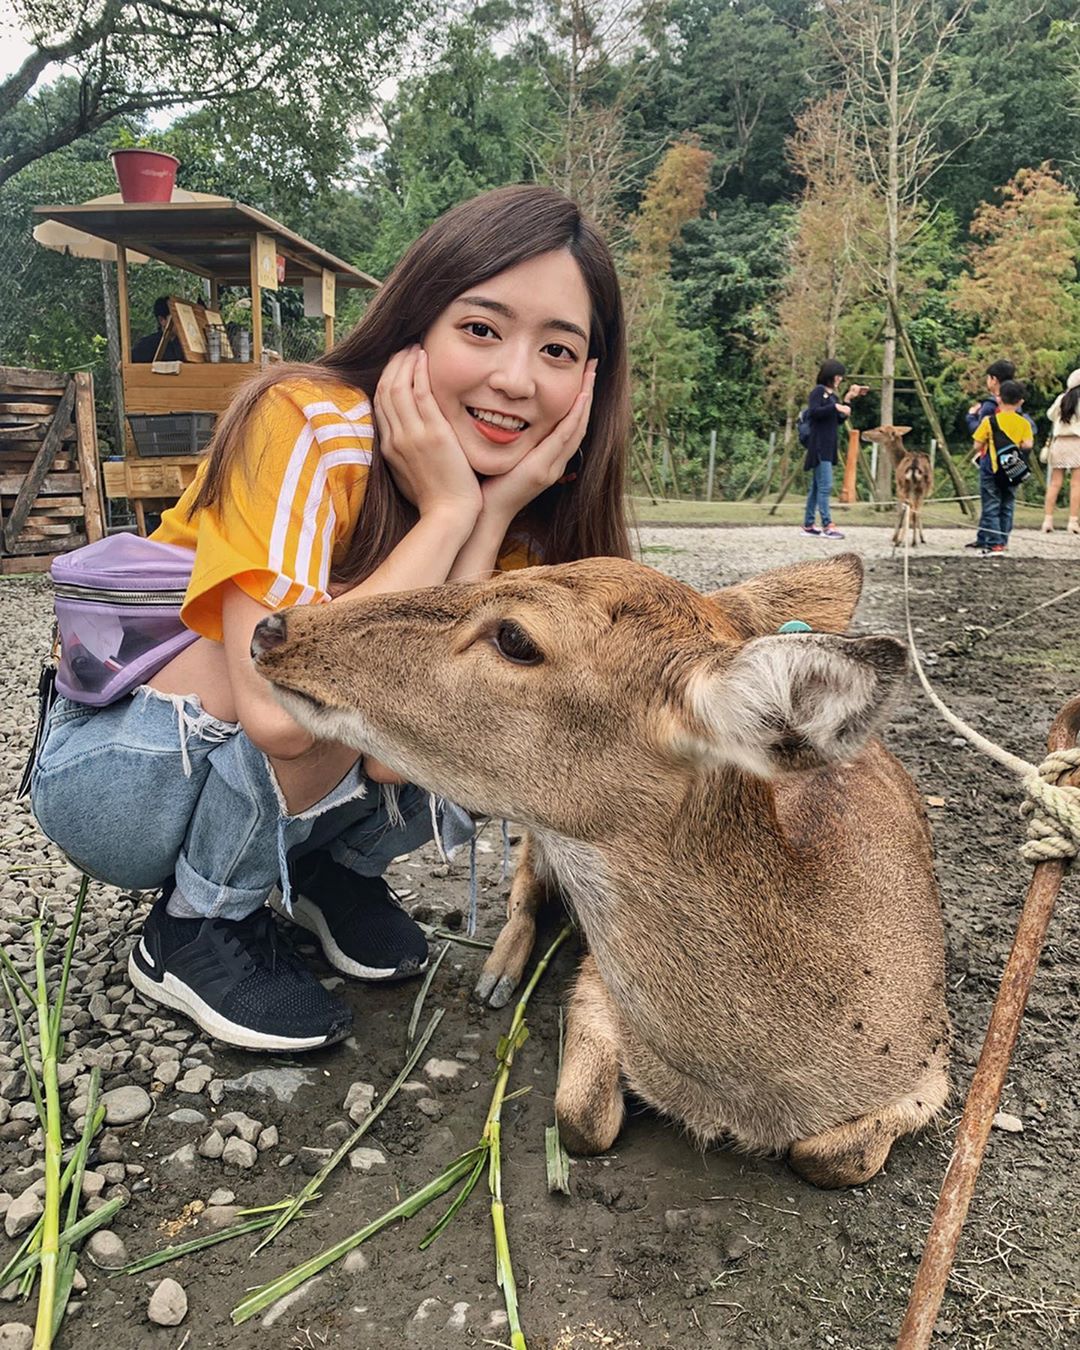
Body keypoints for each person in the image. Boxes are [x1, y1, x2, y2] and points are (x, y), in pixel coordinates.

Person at [30, 186, 631, 1053]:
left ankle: (326, 872)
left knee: (493, 705)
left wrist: (489, 515)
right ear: (417, 324)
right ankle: (197, 925)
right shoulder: (302, 422)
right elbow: (283, 714)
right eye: (481, 329)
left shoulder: (534, 509)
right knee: (317, 685)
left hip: (297, 741)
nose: (515, 378)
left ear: (589, 380)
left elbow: (400, 751)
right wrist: (447, 517)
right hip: (123, 783)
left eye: (558, 350)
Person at [801, 359, 866, 539]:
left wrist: (847, 400)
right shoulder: (818, 392)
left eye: (841, 376)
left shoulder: (833, 397)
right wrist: (835, 407)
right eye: (837, 376)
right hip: (819, 445)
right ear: (829, 375)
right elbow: (814, 412)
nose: (839, 379)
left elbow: (838, 419)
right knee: (825, 486)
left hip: (829, 446)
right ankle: (827, 525)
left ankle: (808, 524)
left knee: (816, 487)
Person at [970, 378, 1034, 556]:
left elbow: (976, 445)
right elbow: (1028, 444)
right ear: (1020, 402)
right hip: (1012, 469)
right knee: (1007, 505)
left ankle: (994, 543)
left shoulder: (989, 421)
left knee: (991, 505)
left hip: (991, 468)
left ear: (999, 398)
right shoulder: (1024, 423)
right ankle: (1003, 542)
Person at [1041, 367, 1080, 534]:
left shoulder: (1061, 398)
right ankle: (1073, 522)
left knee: (1055, 483)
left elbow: (1050, 415)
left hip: (1059, 443)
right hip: (1077, 443)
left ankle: (1048, 520)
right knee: (1076, 484)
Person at [131, 296, 183, 363]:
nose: (181, 322)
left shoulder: (185, 346)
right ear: (162, 320)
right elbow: (125, 365)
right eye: (176, 317)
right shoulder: (148, 344)